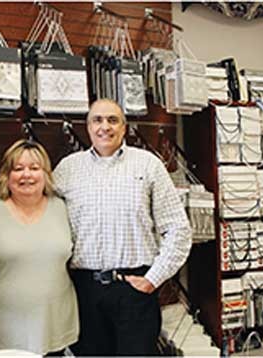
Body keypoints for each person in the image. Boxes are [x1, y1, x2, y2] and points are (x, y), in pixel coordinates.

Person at [53, 99, 192, 356]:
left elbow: (178, 229)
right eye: (97, 120)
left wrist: (153, 279)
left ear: (125, 127)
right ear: (87, 127)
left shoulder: (148, 165)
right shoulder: (67, 169)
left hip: (135, 289)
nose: (104, 127)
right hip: (84, 290)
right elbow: (45, 219)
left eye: (112, 120)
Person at [0, 139, 79, 356]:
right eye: (18, 169)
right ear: (6, 175)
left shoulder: (62, 207)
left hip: (53, 326)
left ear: (46, 174)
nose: (27, 175)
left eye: (35, 168)